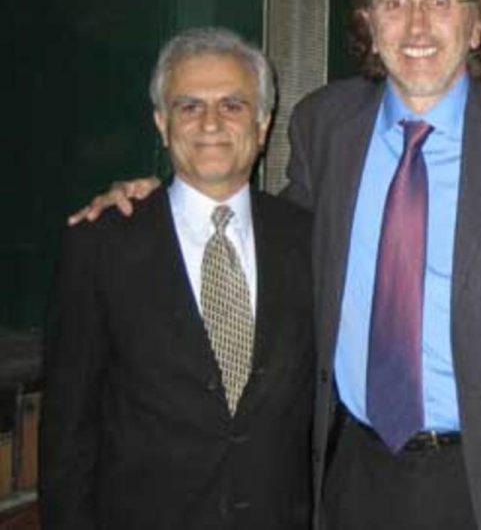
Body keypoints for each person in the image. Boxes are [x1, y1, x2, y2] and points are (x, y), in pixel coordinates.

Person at [67, 0, 481, 530]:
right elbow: (269, 239)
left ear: (477, 26)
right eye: (393, 3)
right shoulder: (326, 126)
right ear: (368, 24)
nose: (415, 24)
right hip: (355, 471)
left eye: (440, 0)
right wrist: (163, 200)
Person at [40, 28, 316, 529]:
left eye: (232, 104)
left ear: (263, 124)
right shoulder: (101, 245)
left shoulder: (310, 240)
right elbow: (68, 433)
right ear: (162, 124)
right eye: (189, 106)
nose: (210, 122)